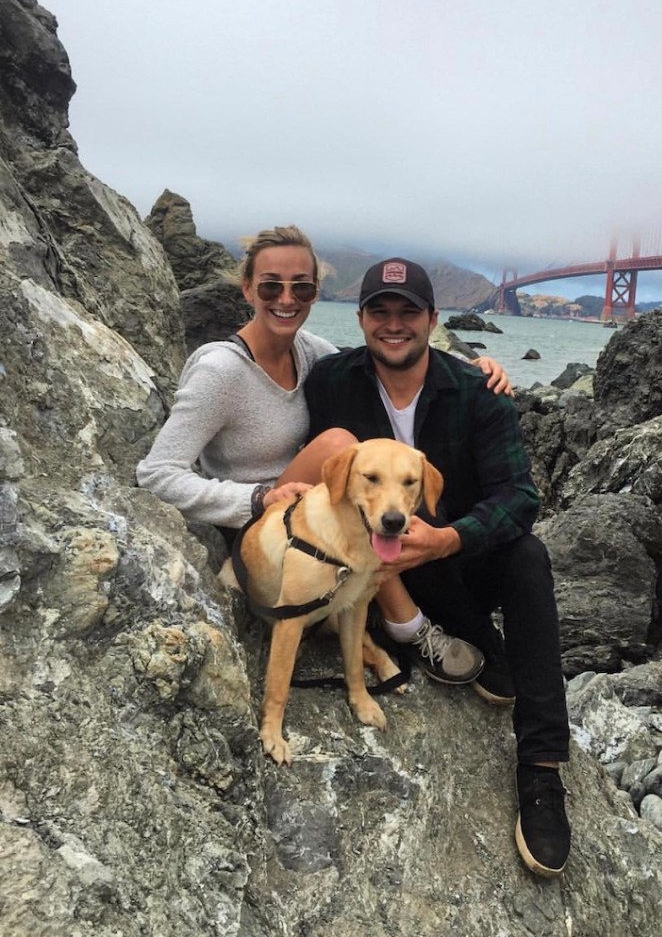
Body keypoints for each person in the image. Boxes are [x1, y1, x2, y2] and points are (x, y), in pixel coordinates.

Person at [137, 226, 512, 685]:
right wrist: (255, 499)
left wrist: (469, 369)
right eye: (271, 287)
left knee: (369, 468)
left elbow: (384, 362)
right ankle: (406, 622)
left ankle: (375, 622)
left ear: (315, 293)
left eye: (302, 288)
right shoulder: (220, 372)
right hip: (260, 534)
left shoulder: (310, 351)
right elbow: (156, 474)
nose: (286, 299)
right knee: (341, 446)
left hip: (310, 520)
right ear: (247, 289)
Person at [303, 257, 571, 878]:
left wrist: (450, 538)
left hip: (459, 556)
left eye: (408, 312)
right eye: (380, 311)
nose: (393, 325)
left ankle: (541, 769)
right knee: (387, 542)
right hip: (384, 570)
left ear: (432, 318)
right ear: (360, 317)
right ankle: (471, 646)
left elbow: (520, 498)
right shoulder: (331, 381)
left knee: (528, 557)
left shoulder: (478, 391)